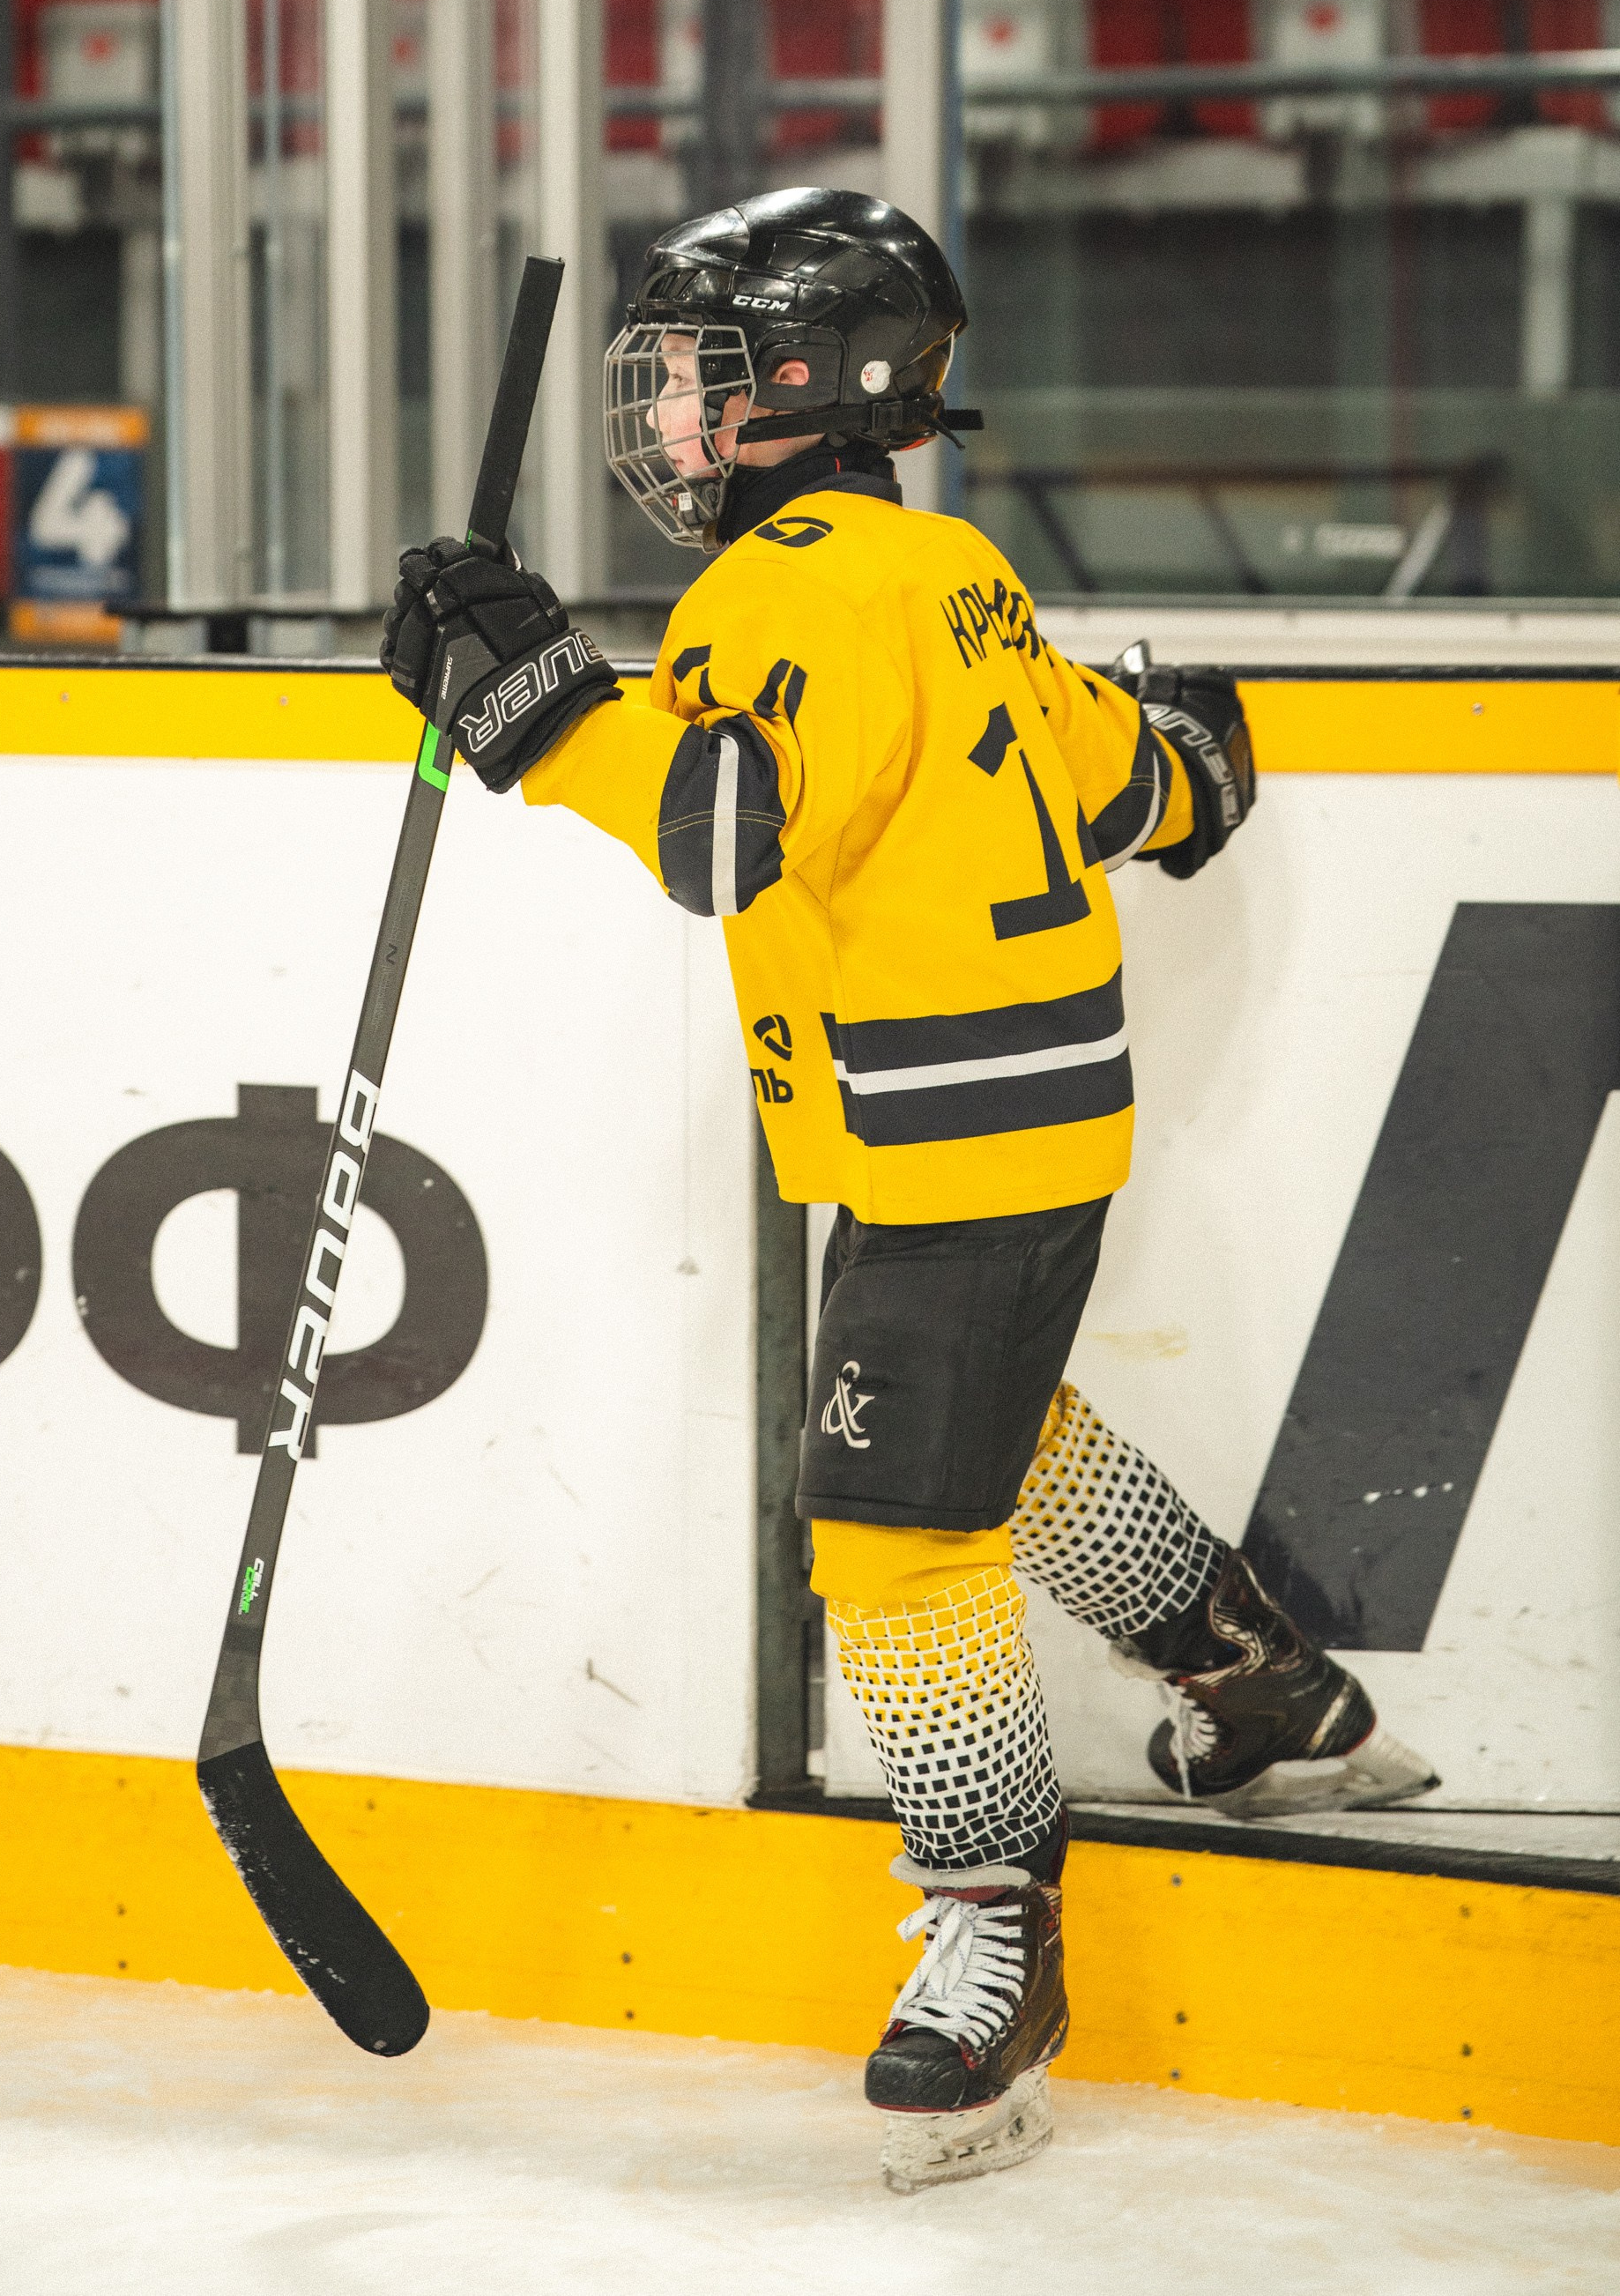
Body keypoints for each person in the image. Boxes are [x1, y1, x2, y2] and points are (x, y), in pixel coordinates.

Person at [381, 188, 1432, 2193]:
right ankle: (1266, 1688)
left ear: (811, 385)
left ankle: (997, 1936)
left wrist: (527, 708)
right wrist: (1196, 767)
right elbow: (1123, 770)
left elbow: (717, 832)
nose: (671, 416)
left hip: (945, 1135)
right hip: (1019, 1120)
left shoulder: (788, 587)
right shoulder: (947, 571)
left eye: (700, 375)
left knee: (884, 1535)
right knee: (986, 1450)